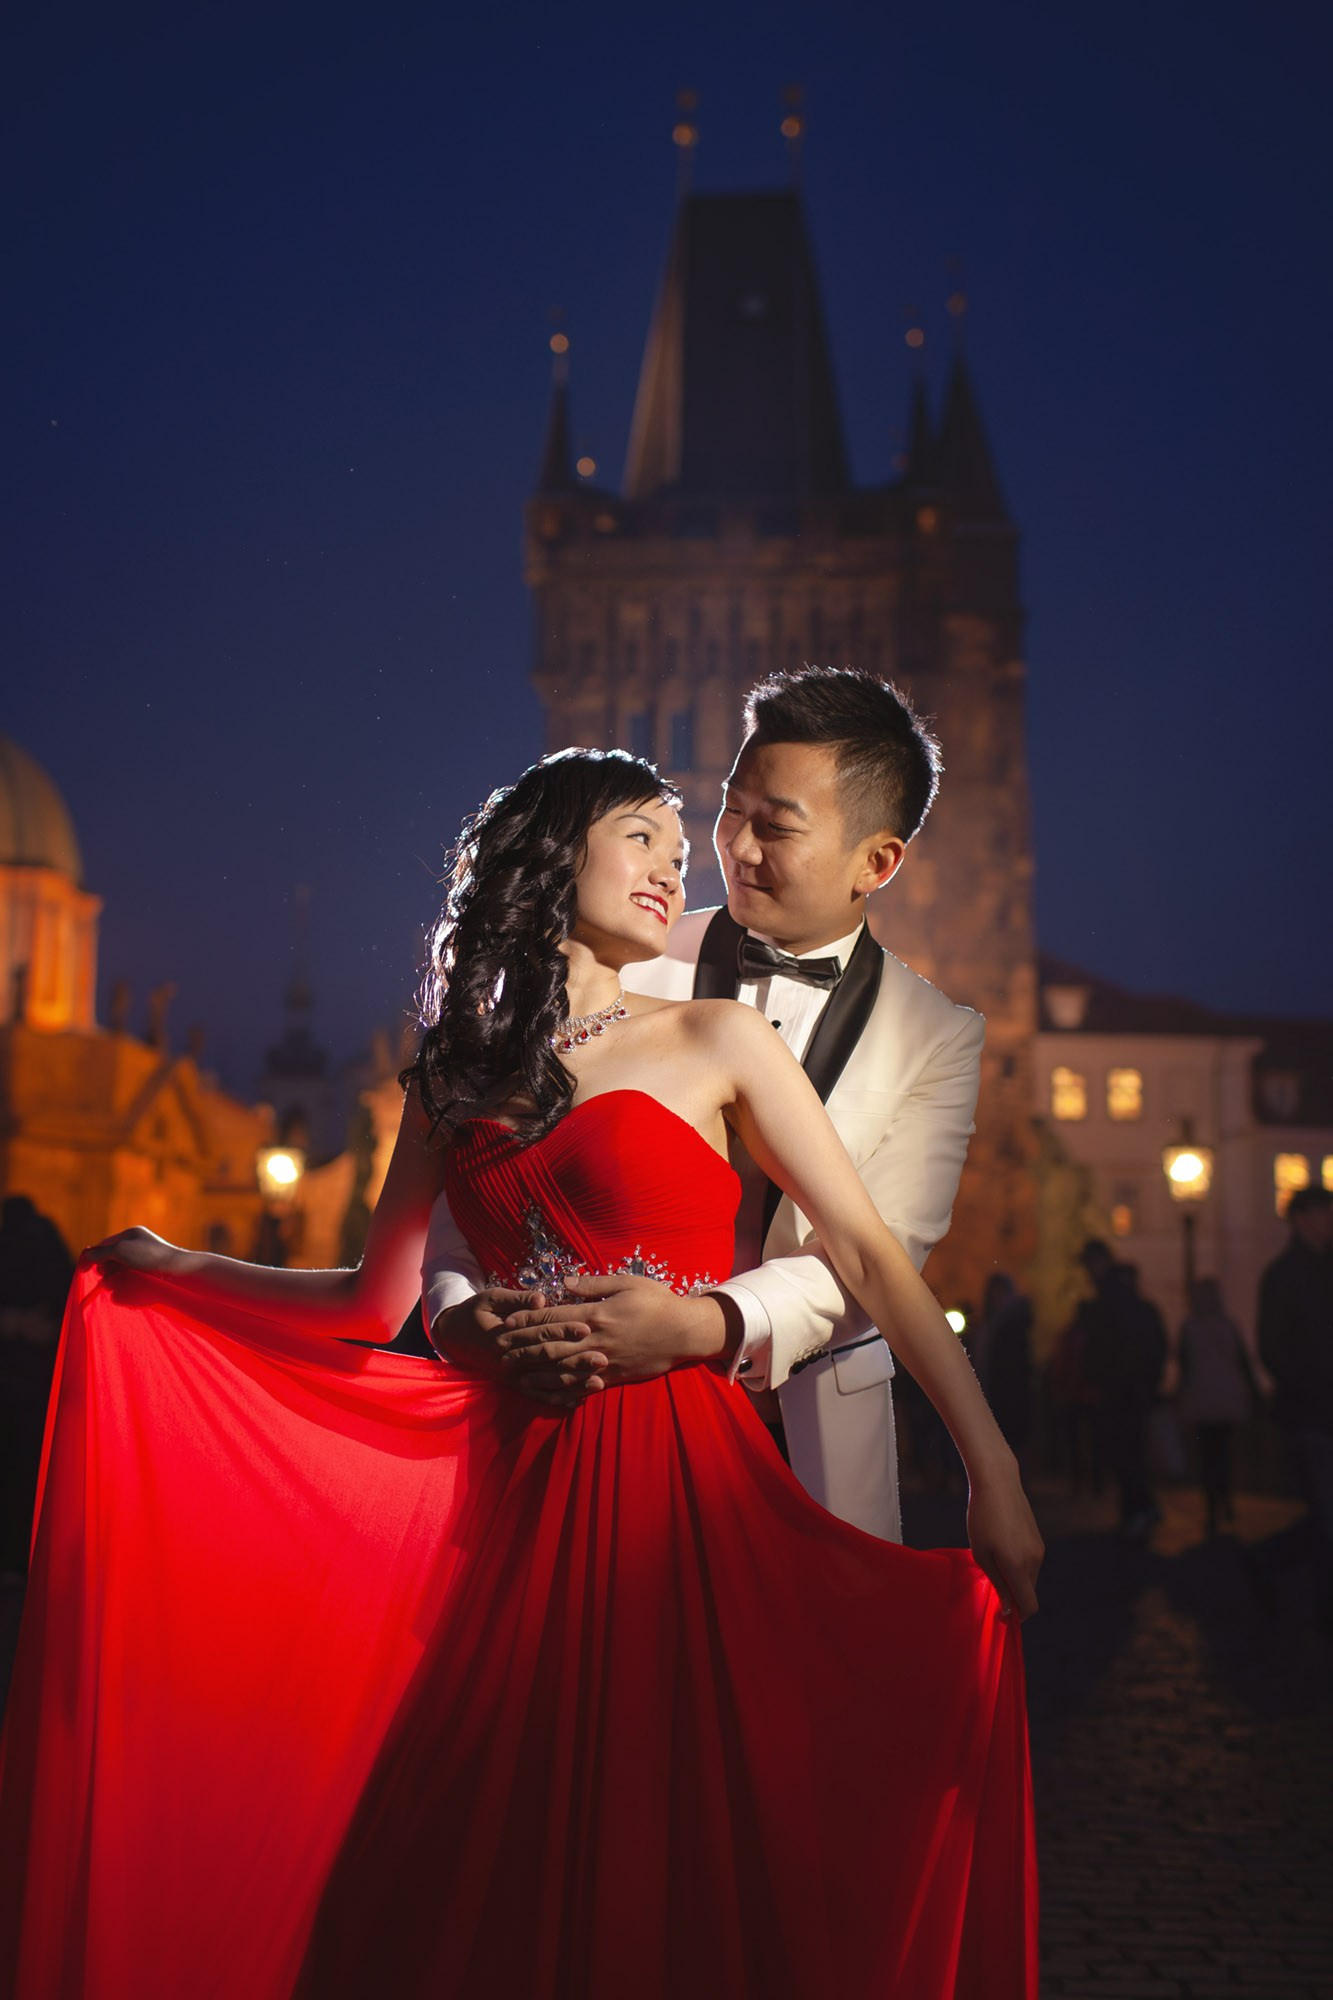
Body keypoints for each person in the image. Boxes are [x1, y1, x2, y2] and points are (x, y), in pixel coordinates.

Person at [0, 749, 1041, 1999]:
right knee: (453, 1854)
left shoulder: (718, 1035)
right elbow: (369, 1299)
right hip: (515, 1501)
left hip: (684, 1497)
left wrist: (992, 1470)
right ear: (555, 854)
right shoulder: (455, 1074)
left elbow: (866, 1253)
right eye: (642, 836)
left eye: (679, 849)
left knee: (694, 1844)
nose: (673, 867)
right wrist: (179, 1264)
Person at [423, 666, 985, 1541]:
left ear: (876, 862)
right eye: (730, 809)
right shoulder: (621, 943)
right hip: (573, 1414)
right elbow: (481, 1191)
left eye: (776, 827)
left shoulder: (938, 1036)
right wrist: (457, 1309)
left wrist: (704, 1324)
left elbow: (881, 1252)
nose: (735, 848)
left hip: (814, 1420)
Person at [1257, 1185, 1333, 1629]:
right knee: (1326, 1518)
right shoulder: (1283, 1275)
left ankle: (1265, 1560)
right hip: (1310, 1414)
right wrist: (1314, 1388)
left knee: (1325, 1516)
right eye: (1324, 1213)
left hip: (1319, 1411)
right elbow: (1273, 1349)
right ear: (1302, 1219)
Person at [1079, 1241, 1167, 1542]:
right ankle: (1140, 1508)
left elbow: (1108, 1346)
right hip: (1131, 1389)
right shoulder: (1135, 1304)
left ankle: (1137, 1510)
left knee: (1125, 1454)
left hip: (1120, 1390)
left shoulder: (1110, 1302)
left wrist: (1104, 1375)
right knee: (1131, 1453)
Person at [1168, 1277, 1254, 1537]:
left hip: (1202, 1401)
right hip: (1228, 1399)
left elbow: (1184, 1366)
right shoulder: (1229, 1325)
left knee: (1207, 1456)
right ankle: (1226, 1501)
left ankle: (1211, 1508)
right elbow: (1243, 1362)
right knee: (1224, 1453)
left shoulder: (1189, 1327)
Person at [972, 1272, 1033, 1466]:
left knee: (1013, 1442)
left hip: (1011, 1393)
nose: (997, 1298)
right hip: (992, 1392)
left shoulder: (1014, 1325)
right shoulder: (989, 1325)